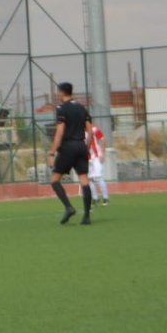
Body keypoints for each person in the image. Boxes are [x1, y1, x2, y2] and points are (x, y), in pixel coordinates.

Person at [47, 82, 93, 225]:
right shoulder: (81, 108)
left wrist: (52, 153)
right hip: (81, 146)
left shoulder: (61, 109)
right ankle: (86, 216)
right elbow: (90, 131)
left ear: (61, 93)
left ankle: (68, 207)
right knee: (84, 180)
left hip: (68, 146)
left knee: (54, 180)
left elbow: (59, 132)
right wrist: (87, 148)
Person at [83, 115, 110, 205]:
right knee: (89, 179)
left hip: (96, 157)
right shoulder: (81, 132)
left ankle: (106, 198)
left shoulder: (94, 129)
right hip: (87, 158)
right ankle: (95, 198)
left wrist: (103, 154)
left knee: (98, 177)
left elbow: (102, 140)